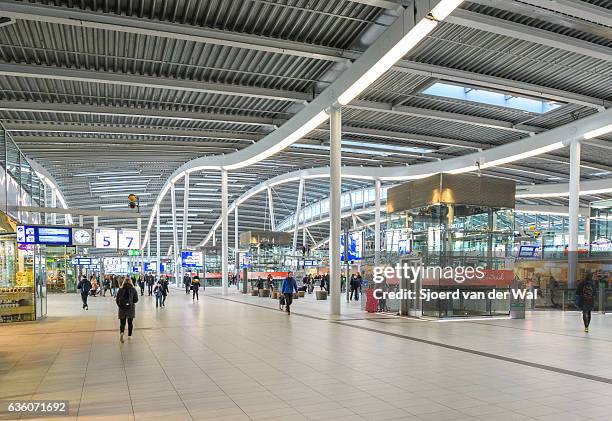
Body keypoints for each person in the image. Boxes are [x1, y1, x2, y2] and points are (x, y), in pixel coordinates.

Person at [116, 278, 139, 343]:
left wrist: (120, 306)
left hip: (122, 308)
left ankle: (122, 333)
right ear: (131, 282)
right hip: (130, 308)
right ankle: (129, 336)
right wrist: (131, 302)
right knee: (130, 322)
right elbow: (136, 300)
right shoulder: (133, 289)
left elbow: (117, 300)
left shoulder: (120, 290)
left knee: (122, 323)